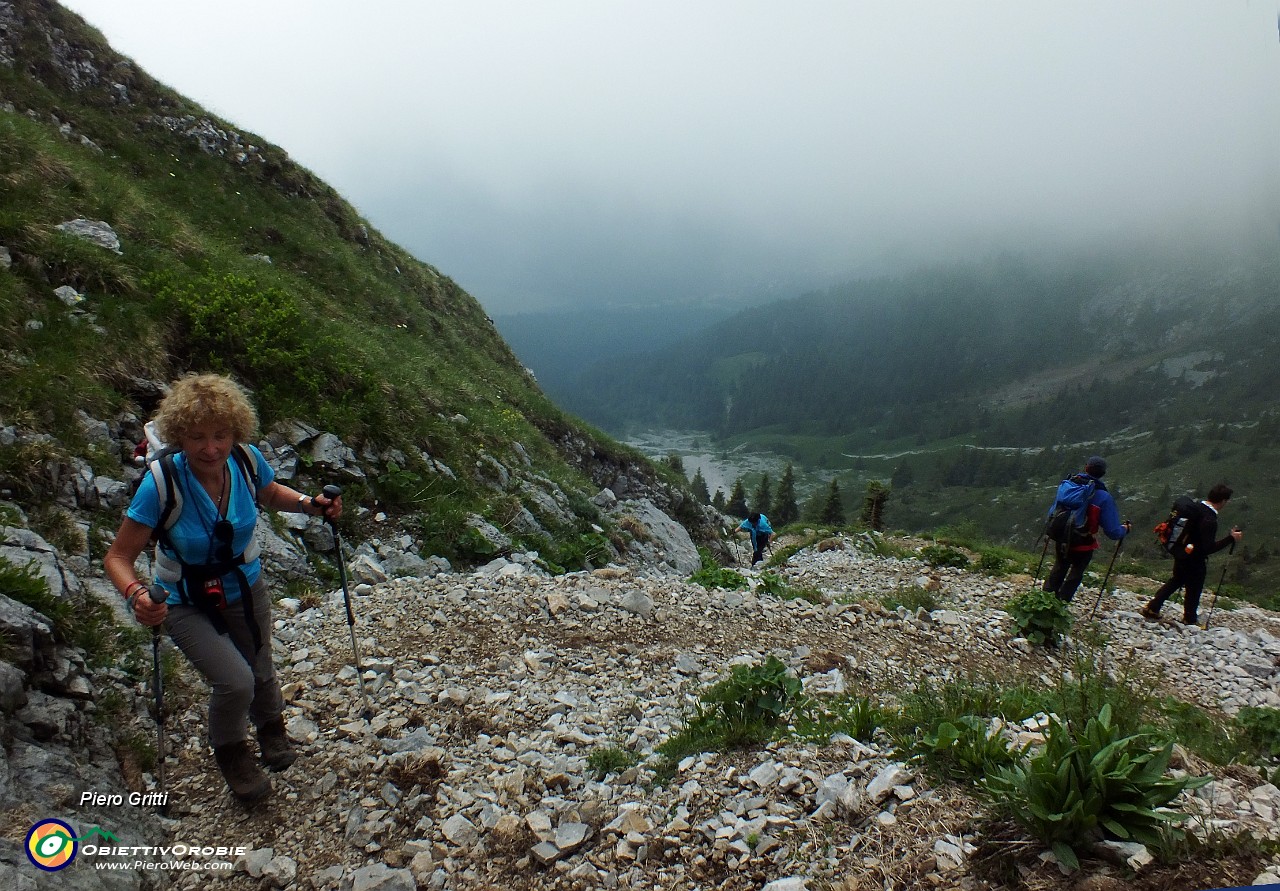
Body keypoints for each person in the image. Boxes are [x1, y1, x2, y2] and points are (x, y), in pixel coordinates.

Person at [104, 374, 342, 804]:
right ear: (179, 436)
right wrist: (137, 596)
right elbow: (118, 558)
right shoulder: (161, 484)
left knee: (260, 666)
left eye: (221, 435)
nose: (211, 448)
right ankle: (233, 755)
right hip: (182, 600)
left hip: (245, 586)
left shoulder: (245, 461)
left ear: (236, 432)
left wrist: (310, 504)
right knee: (235, 681)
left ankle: (272, 732)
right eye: (197, 437)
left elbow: (269, 492)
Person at [1142, 483, 1242, 626]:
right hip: (1195, 559)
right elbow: (1208, 547)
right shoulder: (1210, 519)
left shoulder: (1195, 508)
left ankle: (1153, 607)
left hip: (1181, 552)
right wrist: (1230, 538)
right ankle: (1189, 619)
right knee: (1194, 588)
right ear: (1223, 501)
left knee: (1176, 580)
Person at [1043, 456, 1130, 603]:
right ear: (1102, 474)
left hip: (1061, 536)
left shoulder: (1069, 486)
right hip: (1083, 542)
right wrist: (1125, 529)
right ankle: (1061, 604)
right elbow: (1113, 532)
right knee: (1075, 574)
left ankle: (1044, 600)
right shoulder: (1103, 497)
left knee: (1059, 567)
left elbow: (1053, 511)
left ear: (1086, 468)